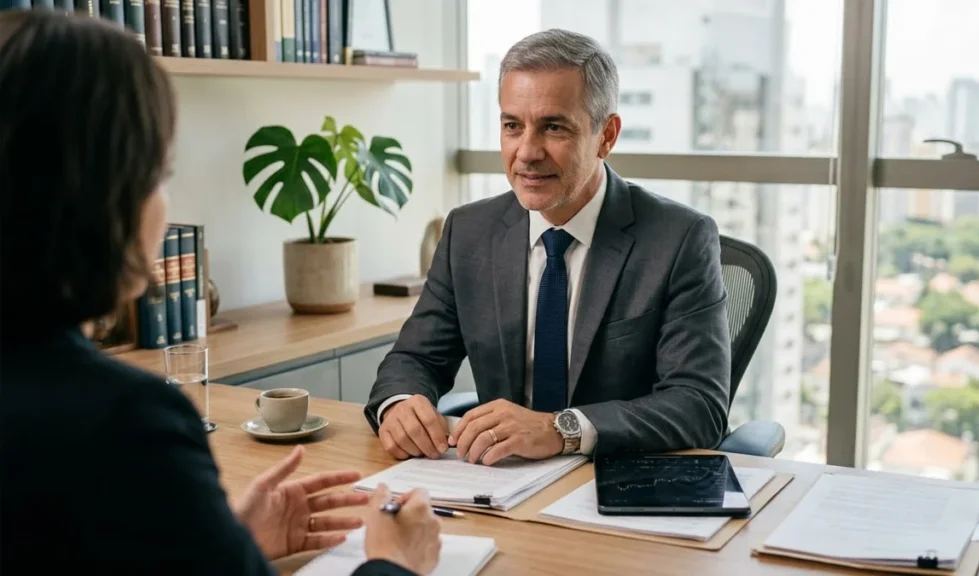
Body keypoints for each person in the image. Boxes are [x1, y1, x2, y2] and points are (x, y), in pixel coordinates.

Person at [0, 12, 440, 576]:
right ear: (101, 196)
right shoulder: (128, 422)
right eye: (160, 175)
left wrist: (224, 543)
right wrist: (394, 562)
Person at [365, 29, 731, 465]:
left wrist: (561, 429)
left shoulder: (679, 240)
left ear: (606, 136)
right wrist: (401, 404)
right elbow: (414, 359)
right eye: (512, 126)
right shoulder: (469, 231)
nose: (527, 152)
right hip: (499, 485)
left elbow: (698, 404)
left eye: (553, 127)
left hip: (615, 485)